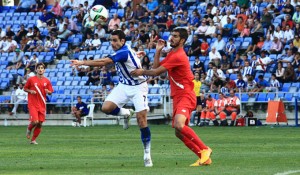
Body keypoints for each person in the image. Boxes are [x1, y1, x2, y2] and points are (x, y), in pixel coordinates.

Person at [130, 28, 212, 166]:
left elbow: (155, 72)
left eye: (175, 36)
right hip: (178, 96)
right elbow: (156, 67)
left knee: (179, 125)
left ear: (182, 40)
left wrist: (141, 71)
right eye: (171, 35)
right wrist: (157, 51)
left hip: (186, 94)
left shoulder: (178, 55)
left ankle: (205, 149)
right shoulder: (172, 54)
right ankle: (204, 158)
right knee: (179, 133)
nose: (171, 38)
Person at [70, 30, 153, 167]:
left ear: (122, 41)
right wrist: (136, 55)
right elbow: (126, 57)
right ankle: (126, 113)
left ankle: (147, 154)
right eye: (111, 40)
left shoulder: (123, 52)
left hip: (138, 87)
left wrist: (82, 62)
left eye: (115, 40)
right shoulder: (125, 51)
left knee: (141, 120)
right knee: (106, 108)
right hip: (123, 85)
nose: (112, 43)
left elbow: (104, 62)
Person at [23, 63, 53, 145]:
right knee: (35, 121)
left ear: (44, 70)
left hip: (42, 104)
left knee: (40, 123)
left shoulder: (47, 81)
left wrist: (48, 92)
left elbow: (50, 92)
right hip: (33, 103)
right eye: (39, 68)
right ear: (36, 69)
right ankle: (29, 129)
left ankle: (33, 140)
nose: (40, 69)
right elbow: (25, 88)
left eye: (42, 68)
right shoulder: (31, 79)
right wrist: (30, 91)